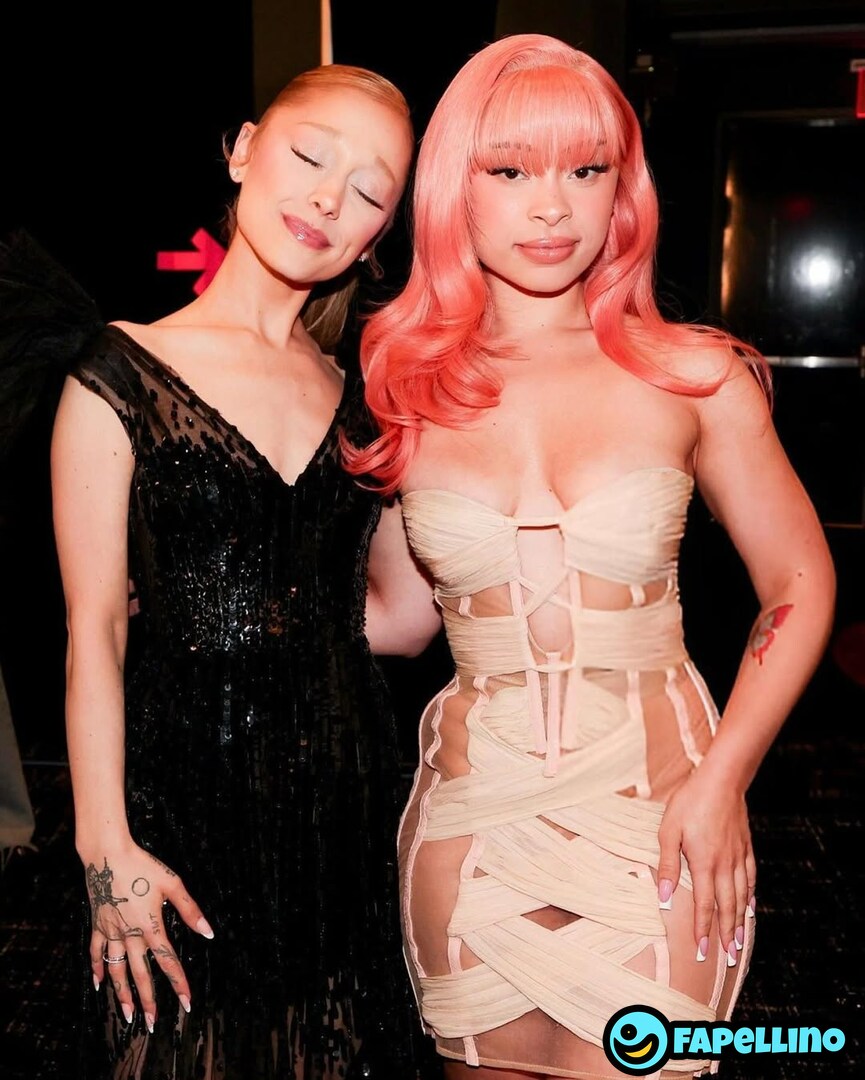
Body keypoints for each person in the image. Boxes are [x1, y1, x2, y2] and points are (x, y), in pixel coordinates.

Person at [344, 33, 836, 1080]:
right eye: (509, 171)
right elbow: (399, 618)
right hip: (472, 834)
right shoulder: (410, 387)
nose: (551, 207)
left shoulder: (693, 376)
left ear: (622, 190)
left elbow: (797, 581)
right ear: (454, 186)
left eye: (584, 169)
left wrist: (723, 780)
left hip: (665, 817)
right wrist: (205, 594)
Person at [39, 61, 424, 1079]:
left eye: (368, 191)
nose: (328, 199)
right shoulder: (119, 369)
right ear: (245, 149)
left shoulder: (362, 395)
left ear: (378, 234)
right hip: (179, 808)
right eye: (309, 156)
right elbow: (93, 631)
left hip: (343, 806)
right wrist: (104, 850)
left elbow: (399, 620)